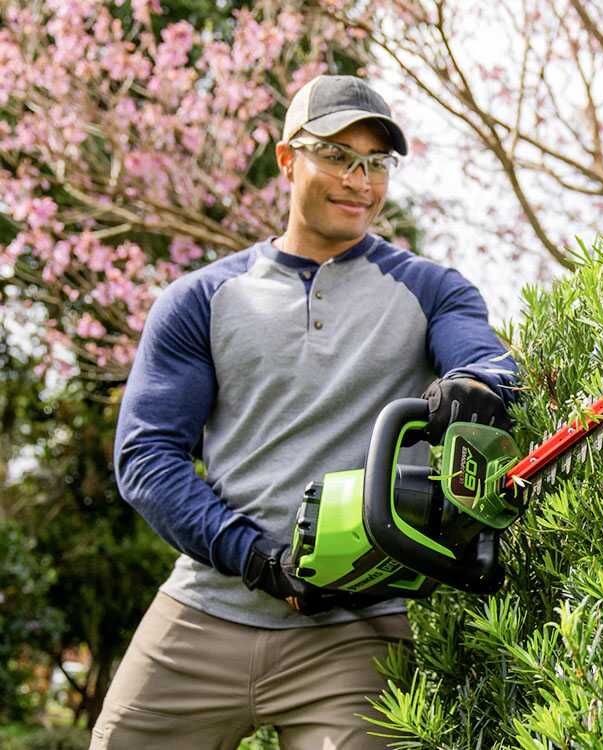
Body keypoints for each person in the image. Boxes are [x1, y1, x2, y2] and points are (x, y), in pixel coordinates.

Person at [91, 74, 517, 749]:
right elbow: (145, 459)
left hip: (356, 635)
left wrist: (475, 386)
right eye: (339, 156)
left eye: (377, 163)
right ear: (289, 159)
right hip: (205, 612)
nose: (360, 181)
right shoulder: (202, 299)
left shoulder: (430, 289)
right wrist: (258, 560)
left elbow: (487, 364)